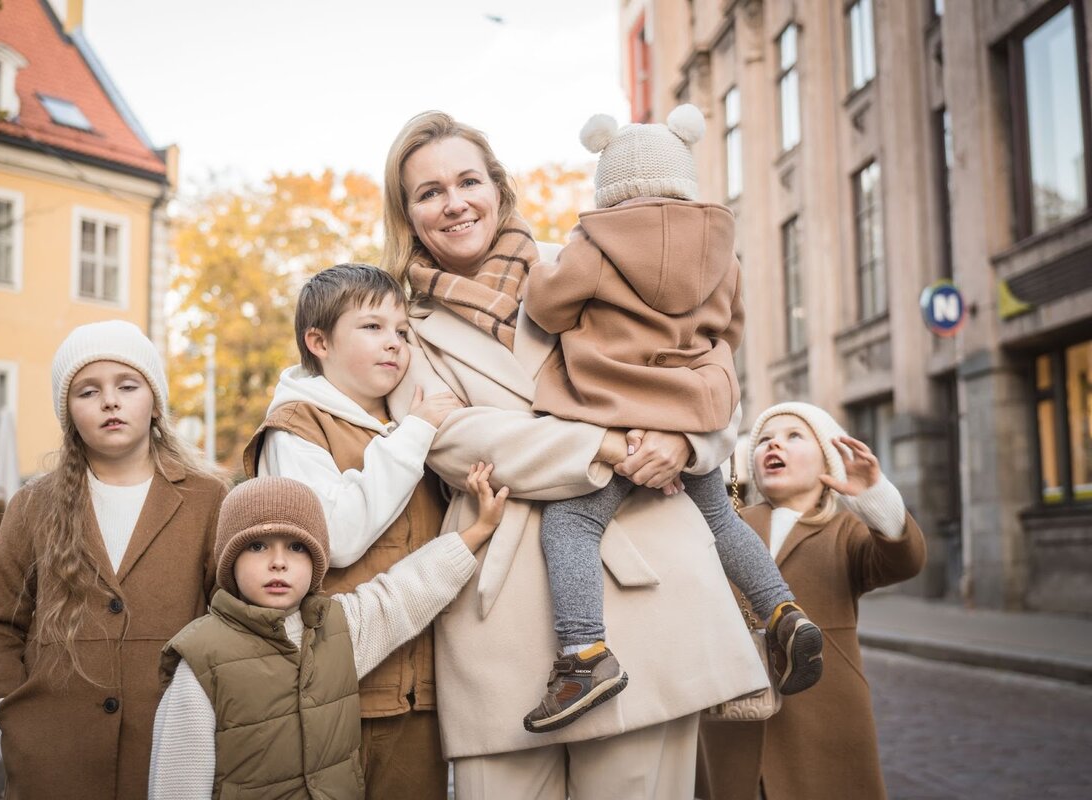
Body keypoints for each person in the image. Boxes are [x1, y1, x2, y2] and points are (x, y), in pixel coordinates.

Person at [380, 110, 769, 799]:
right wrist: (610, 446)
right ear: (408, 215)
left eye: (469, 180)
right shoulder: (403, 329)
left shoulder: (591, 267)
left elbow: (710, 374)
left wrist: (685, 440)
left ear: (498, 188)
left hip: (648, 586)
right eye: (429, 192)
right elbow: (452, 439)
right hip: (496, 614)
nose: (454, 202)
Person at [520, 106, 823, 733]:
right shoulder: (724, 252)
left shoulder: (594, 244)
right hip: (689, 416)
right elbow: (729, 333)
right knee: (720, 518)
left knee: (571, 523)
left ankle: (584, 657)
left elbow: (547, 310)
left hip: (614, 415)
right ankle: (783, 612)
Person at [0, 320, 228, 800]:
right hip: (53, 761)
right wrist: (11, 705)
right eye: (88, 391)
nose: (110, 401)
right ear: (68, 412)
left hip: (169, 753)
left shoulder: (208, 500)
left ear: (154, 403)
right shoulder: (33, 505)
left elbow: (228, 621)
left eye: (127, 386)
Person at [148, 467, 508, 799]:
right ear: (230, 560)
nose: (279, 561)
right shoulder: (201, 657)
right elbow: (177, 782)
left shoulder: (337, 628)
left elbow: (404, 592)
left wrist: (478, 530)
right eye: (257, 546)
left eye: (297, 546)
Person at [240, 263, 462, 799]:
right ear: (318, 341)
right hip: (337, 693)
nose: (394, 345)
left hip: (419, 692)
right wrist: (417, 433)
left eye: (402, 331)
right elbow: (335, 535)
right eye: (372, 327)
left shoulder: (397, 428)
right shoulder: (297, 428)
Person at [696, 402, 927, 800]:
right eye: (765, 439)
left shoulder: (845, 530)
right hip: (734, 716)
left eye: (793, 436)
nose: (774, 446)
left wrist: (875, 498)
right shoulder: (731, 526)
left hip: (822, 716)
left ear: (828, 461)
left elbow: (903, 562)